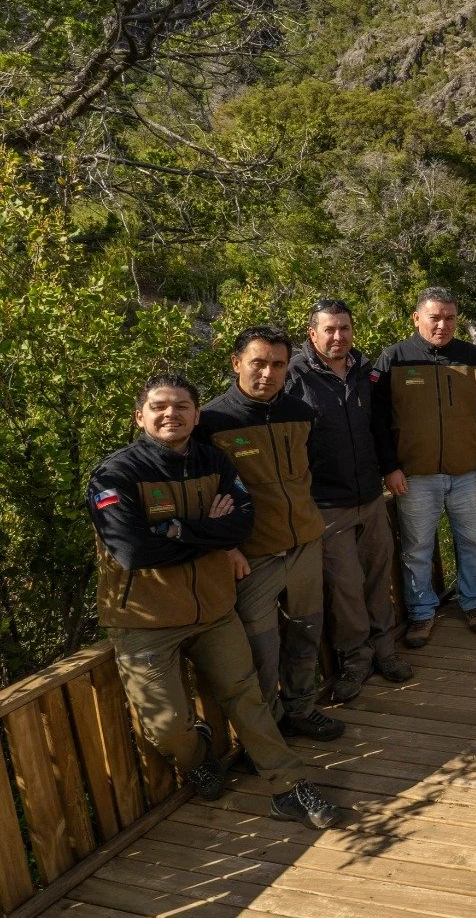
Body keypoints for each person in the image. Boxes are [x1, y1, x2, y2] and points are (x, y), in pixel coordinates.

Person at [89, 374, 337, 829]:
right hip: (145, 621)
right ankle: (199, 752)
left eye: (182, 406)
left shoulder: (214, 461)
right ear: (139, 415)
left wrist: (176, 528)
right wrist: (206, 530)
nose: (171, 414)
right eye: (160, 406)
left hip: (215, 612)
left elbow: (241, 527)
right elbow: (133, 551)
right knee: (167, 729)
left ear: (197, 415)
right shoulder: (116, 474)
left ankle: (289, 786)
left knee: (249, 699)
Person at [199, 326, 341, 742]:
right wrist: (226, 545)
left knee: (305, 633)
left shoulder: (299, 412)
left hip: (304, 545)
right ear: (236, 363)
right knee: (260, 649)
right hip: (253, 556)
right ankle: (266, 730)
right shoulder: (211, 421)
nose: (268, 372)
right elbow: (200, 494)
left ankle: (301, 707)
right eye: (258, 362)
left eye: (278, 364)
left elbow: (307, 473)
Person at [286, 299, 413, 704]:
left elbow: (378, 426)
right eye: (329, 329)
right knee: (344, 585)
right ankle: (355, 659)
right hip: (326, 502)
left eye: (345, 328)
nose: (338, 336)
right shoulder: (295, 376)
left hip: (371, 496)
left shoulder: (364, 371)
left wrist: (389, 467)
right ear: (313, 334)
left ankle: (385, 649)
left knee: (379, 575)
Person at [372, 287, 476, 649]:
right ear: (417, 318)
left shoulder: (471, 356)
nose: (443, 325)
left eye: (449, 318)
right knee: (417, 547)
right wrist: (389, 467)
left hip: (467, 472)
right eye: (435, 317)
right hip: (414, 476)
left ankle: (474, 601)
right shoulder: (394, 359)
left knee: (475, 542)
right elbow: (378, 420)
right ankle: (421, 612)